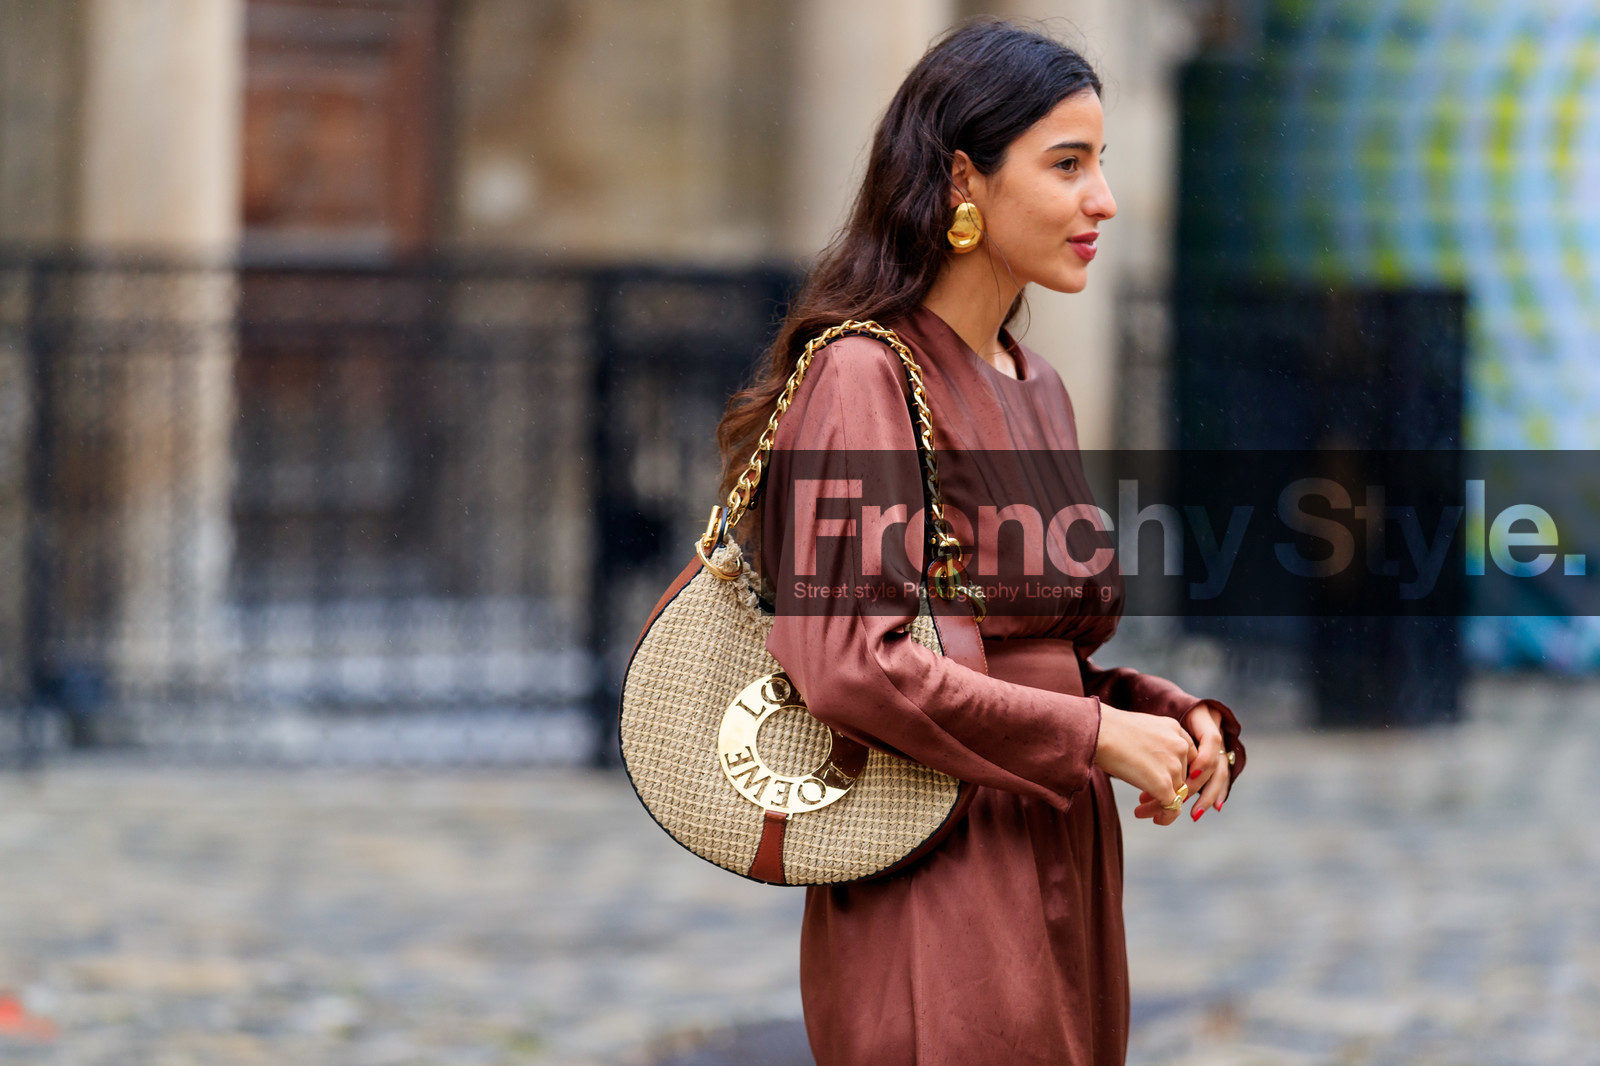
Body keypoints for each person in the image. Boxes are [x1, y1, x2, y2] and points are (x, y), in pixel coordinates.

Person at [713, 19, 1245, 1066]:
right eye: (1067, 165)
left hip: (1060, 842)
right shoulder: (861, 374)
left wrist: (1160, 716)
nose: (1103, 200)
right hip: (937, 859)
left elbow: (1031, 640)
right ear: (965, 180)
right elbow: (847, 662)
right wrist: (1092, 739)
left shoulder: (1032, 381)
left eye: (1103, 163)